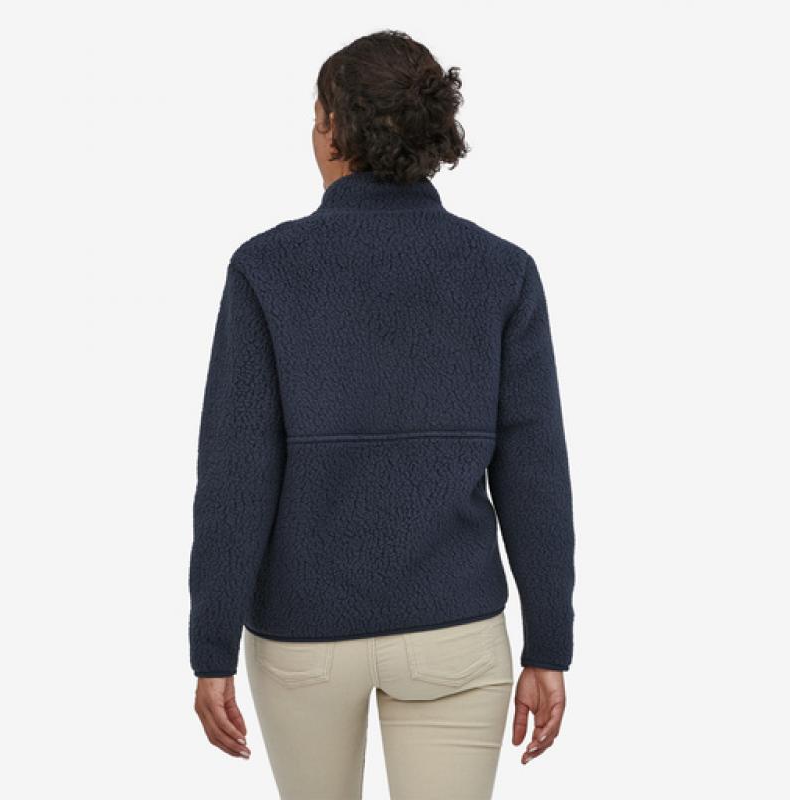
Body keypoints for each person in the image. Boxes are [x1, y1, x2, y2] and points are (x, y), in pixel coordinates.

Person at [188, 29, 576, 800]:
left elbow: (236, 474)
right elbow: (536, 474)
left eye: (315, 116)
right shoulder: (503, 271)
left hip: (303, 637)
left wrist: (211, 647)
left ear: (334, 129)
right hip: (455, 631)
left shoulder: (265, 269)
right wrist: (549, 646)